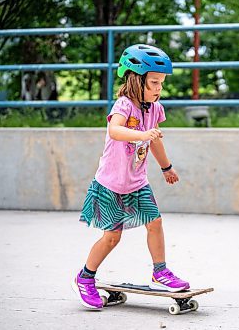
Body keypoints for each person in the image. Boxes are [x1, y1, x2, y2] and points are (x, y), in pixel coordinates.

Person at [71, 44, 189, 310]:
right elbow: (115, 130)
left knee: (155, 223)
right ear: (136, 80)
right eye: (154, 83)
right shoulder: (124, 104)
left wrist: (166, 167)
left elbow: (155, 140)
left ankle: (160, 271)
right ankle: (85, 277)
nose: (159, 89)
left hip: (137, 183)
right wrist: (142, 135)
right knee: (112, 238)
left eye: (162, 83)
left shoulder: (155, 108)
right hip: (111, 185)